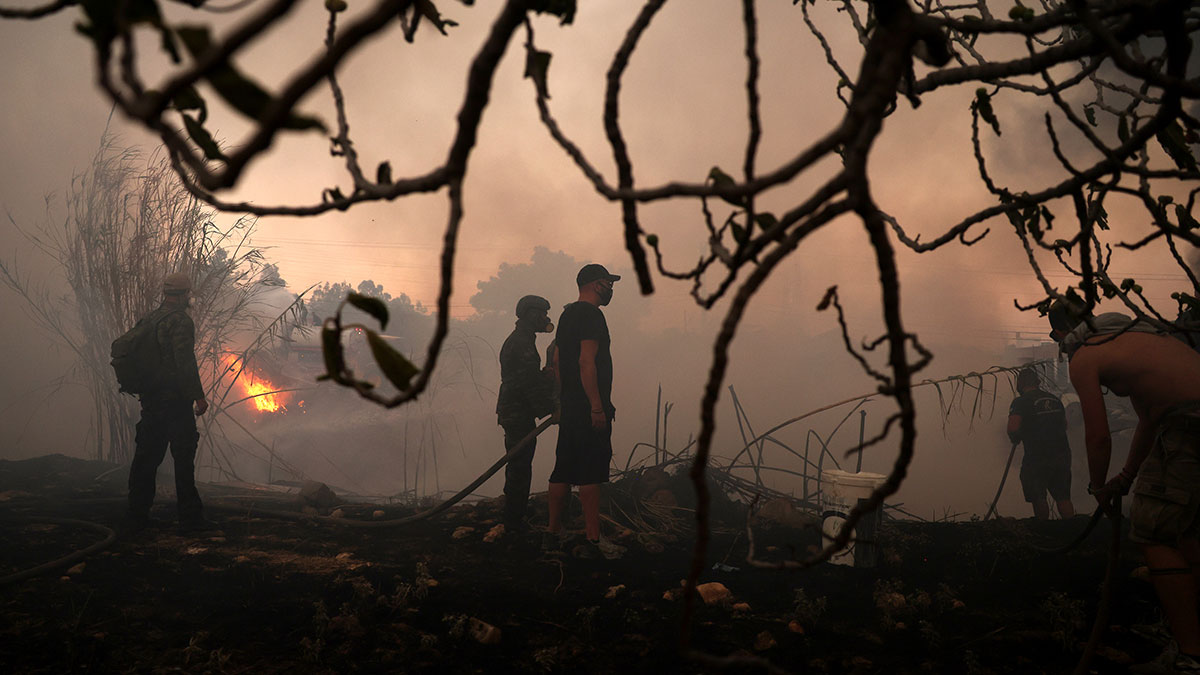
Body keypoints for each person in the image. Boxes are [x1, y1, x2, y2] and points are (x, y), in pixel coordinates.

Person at [1050, 299, 1200, 673]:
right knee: (1187, 527)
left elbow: (1098, 436)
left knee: (1155, 530)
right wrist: (1127, 477)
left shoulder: (1084, 356)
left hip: (1191, 426)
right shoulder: (1135, 336)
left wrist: (1098, 486)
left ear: (1061, 334)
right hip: (1181, 424)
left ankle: (1191, 657)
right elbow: (1148, 419)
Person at [543, 264, 626, 560]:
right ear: (593, 284)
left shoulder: (567, 315)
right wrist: (596, 406)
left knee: (563, 469)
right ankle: (594, 539)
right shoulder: (591, 316)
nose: (611, 288)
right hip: (588, 408)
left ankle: (553, 533)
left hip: (570, 406)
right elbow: (585, 362)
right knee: (591, 471)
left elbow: (556, 360)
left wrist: (564, 401)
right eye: (608, 282)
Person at [126, 272, 213, 534]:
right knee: (183, 459)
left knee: (146, 459)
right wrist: (198, 395)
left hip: (151, 401)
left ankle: (136, 516)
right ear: (185, 295)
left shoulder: (150, 319)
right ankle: (190, 520)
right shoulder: (181, 322)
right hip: (175, 403)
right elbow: (185, 362)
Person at [495, 294, 556, 531]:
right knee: (519, 466)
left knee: (519, 464)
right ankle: (514, 521)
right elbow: (526, 384)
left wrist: (544, 376)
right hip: (517, 413)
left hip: (516, 411)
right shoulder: (521, 343)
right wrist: (551, 409)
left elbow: (527, 377)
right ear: (531, 314)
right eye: (541, 313)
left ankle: (515, 515)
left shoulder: (523, 340)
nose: (545, 318)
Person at [1006, 368, 1076, 520]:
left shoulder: (1021, 402)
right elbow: (1064, 425)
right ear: (1037, 382)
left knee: (1038, 496)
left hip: (1037, 457)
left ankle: (1043, 529)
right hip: (1062, 455)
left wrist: (1015, 437)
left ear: (1020, 383)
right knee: (1063, 496)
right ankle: (1072, 530)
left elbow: (1013, 428)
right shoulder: (1054, 399)